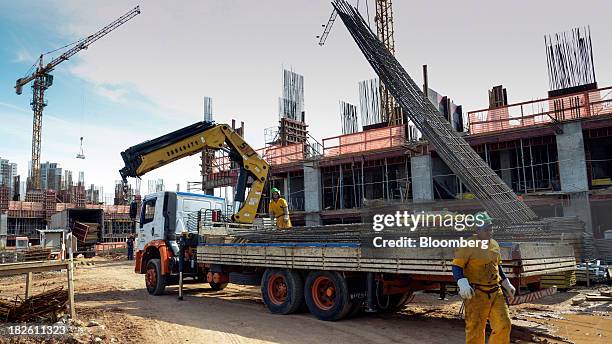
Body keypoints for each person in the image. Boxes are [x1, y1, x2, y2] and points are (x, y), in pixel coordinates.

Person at [452, 212, 516, 344]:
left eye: (491, 229)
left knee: (504, 325)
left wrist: (506, 283)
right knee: (475, 329)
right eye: (486, 229)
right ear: (477, 230)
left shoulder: (494, 245)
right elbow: (456, 266)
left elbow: (497, 266)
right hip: (477, 294)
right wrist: (462, 284)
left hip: (495, 292)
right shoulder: (468, 245)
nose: (490, 232)